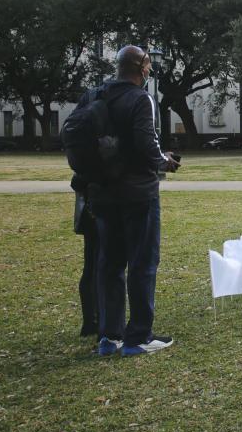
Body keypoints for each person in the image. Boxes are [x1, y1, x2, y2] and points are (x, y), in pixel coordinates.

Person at [78, 45, 181, 357]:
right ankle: (138, 336)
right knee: (142, 263)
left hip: (102, 194)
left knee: (109, 263)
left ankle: (109, 336)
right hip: (138, 194)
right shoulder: (140, 99)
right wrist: (166, 161)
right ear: (142, 69)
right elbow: (147, 147)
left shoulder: (94, 95)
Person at [71, 186, 99, 337]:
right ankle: (99, 321)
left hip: (90, 206)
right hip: (99, 206)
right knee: (99, 267)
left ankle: (91, 321)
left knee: (91, 266)